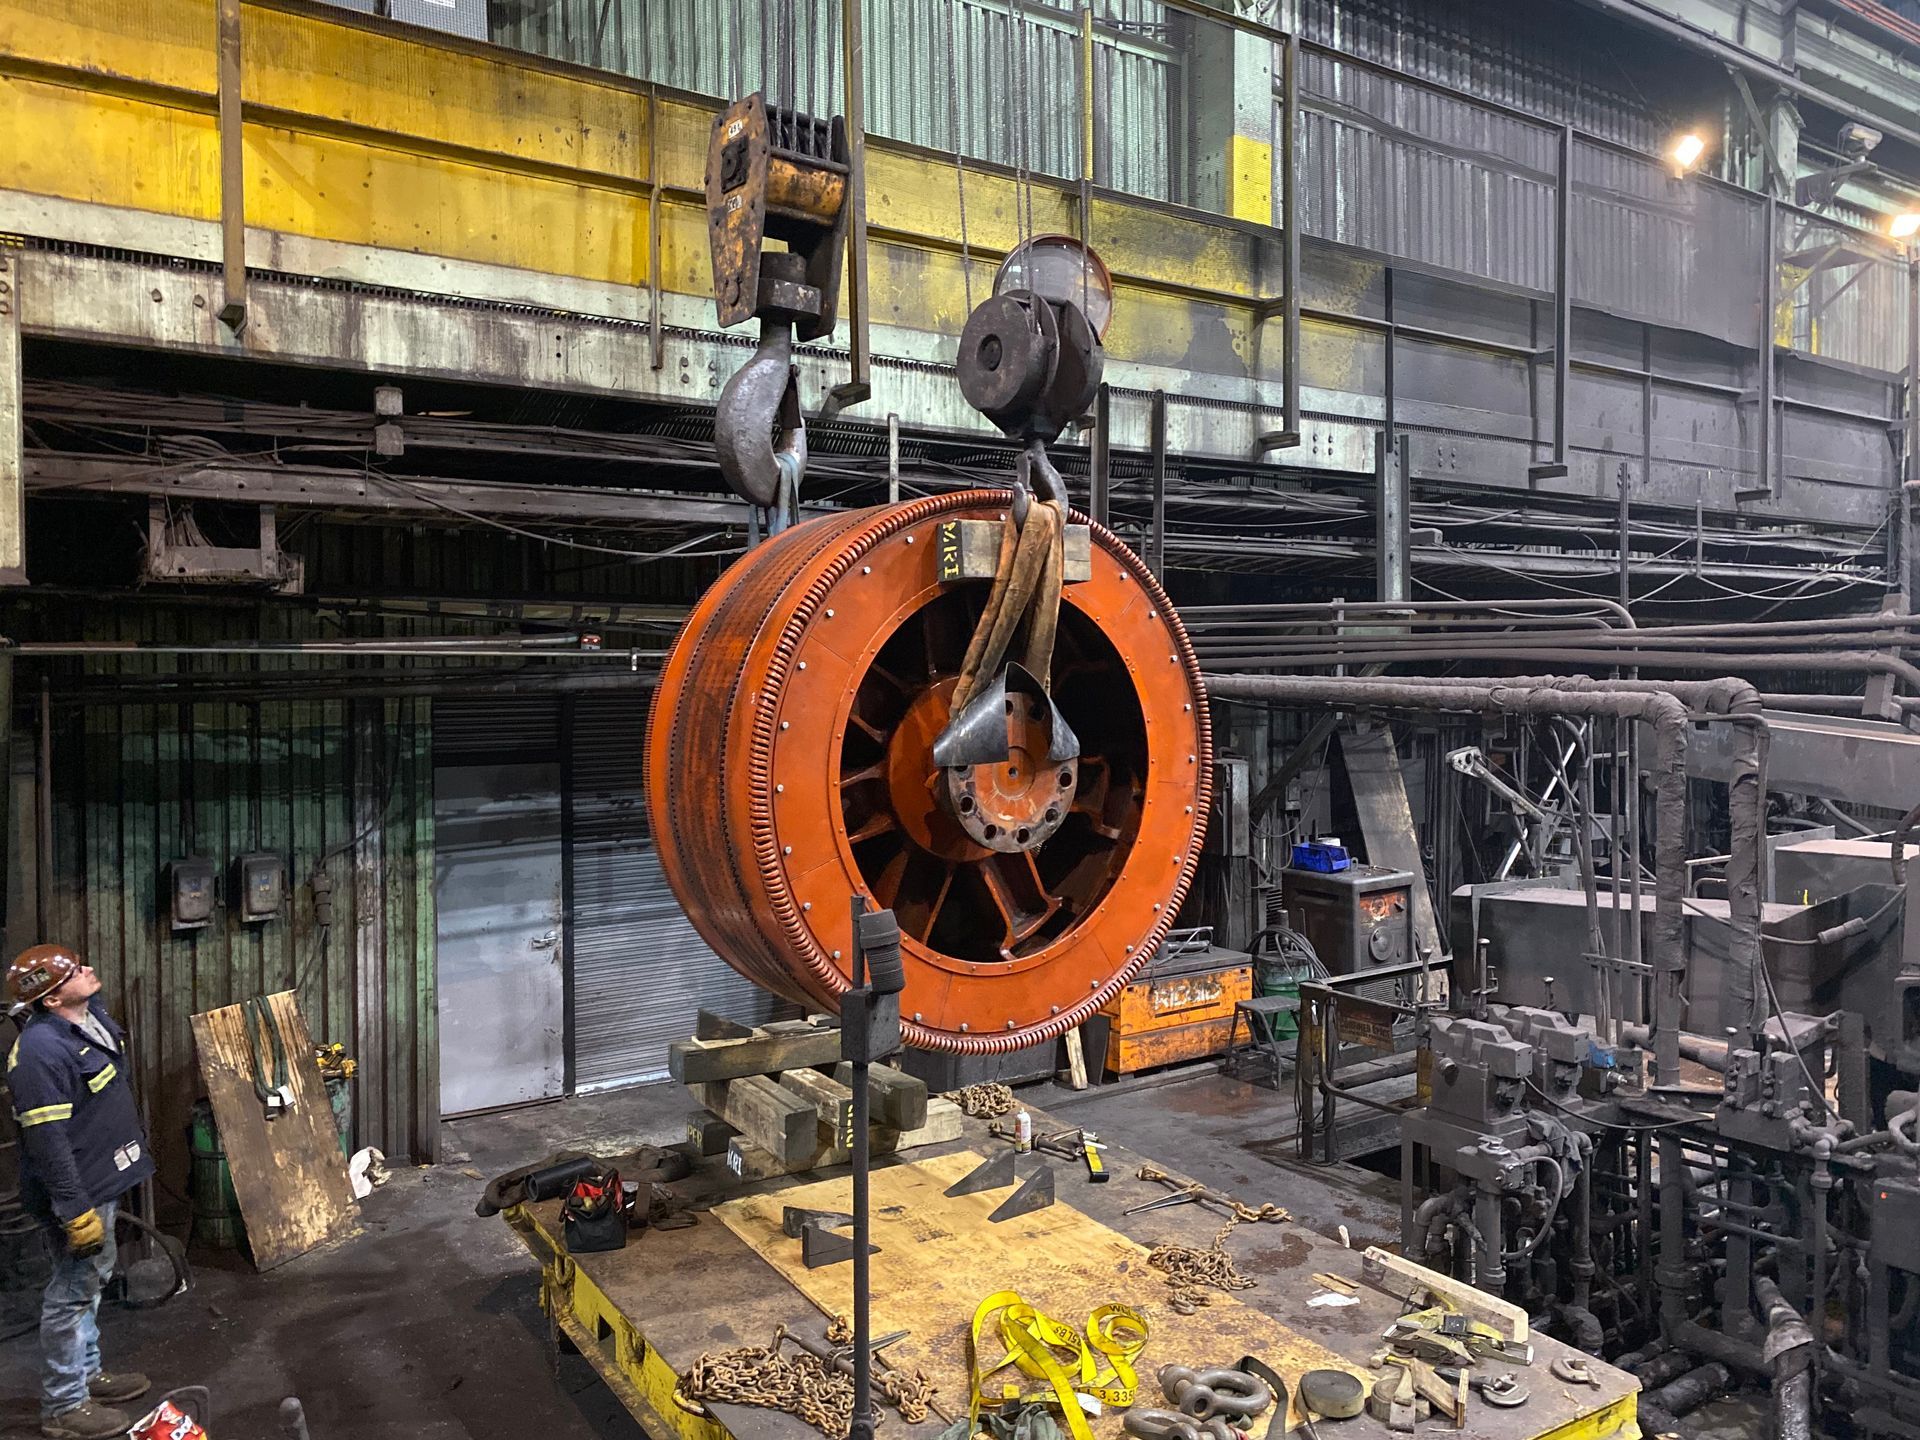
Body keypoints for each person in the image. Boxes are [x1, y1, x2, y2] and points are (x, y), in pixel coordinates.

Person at [7, 945, 154, 1439]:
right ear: (50, 999)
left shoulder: (89, 1020)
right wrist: (74, 1210)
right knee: (71, 1293)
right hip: (76, 1193)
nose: (89, 969)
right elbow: (47, 1144)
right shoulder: (39, 1054)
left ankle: (88, 1375)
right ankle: (65, 1405)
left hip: (101, 1180)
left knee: (91, 1280)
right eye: (74, 971)